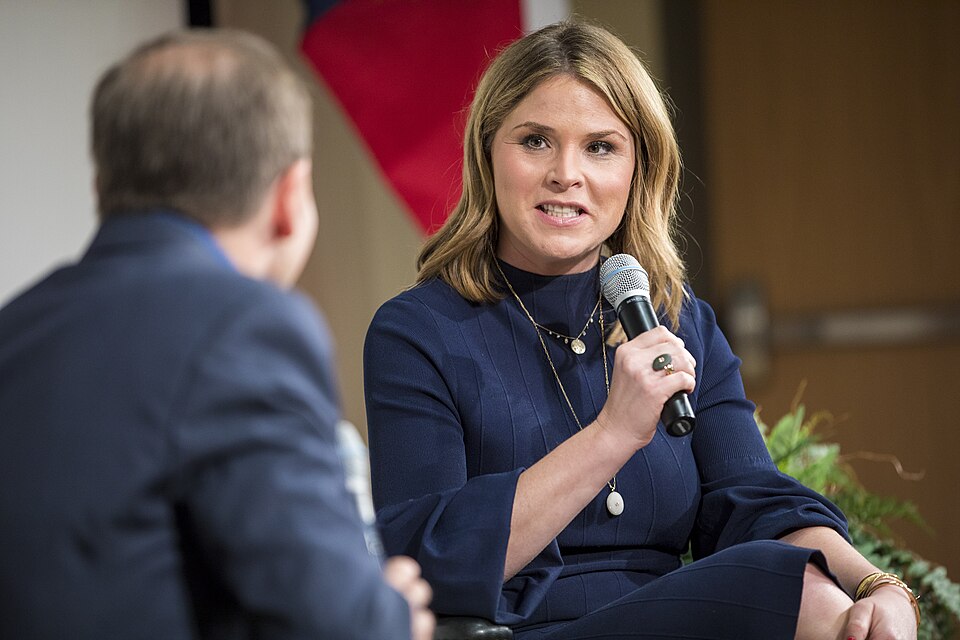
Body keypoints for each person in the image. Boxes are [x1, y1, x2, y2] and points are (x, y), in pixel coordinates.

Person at [363, 21, 920, 640]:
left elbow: (756, 502)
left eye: (600, 147)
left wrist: (878, 587)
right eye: (536, 141)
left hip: (677, 620)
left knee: (816, 592)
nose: (566, 173)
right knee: (788, 590)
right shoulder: (419, 332)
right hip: (521, 631)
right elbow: (423, 560)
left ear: (638, 170)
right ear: (488, 154)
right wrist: (612, 435)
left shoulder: (678, 323)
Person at [0, 30, 433, 640]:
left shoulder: (15, 327)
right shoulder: (247, 327)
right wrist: (390, 613)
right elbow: (337, 625)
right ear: (289, 197)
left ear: (103, 187)